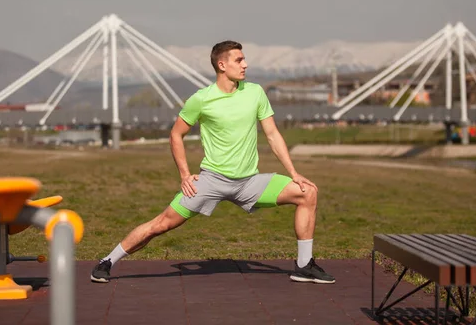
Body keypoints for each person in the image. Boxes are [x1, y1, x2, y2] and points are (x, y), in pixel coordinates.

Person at [91, 41, 335, 284]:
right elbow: (176, 134)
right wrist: (185, 175)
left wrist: (293, 172)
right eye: (239, 60)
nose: (245, 64)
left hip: (250, 182)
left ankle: (304, 266)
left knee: (308, 192)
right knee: (161, 225)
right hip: (211, 181)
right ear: (222, 64)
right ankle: (107, 262)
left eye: (244, 59)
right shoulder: (201, 99)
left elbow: (272, 134)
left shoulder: (255, 92)